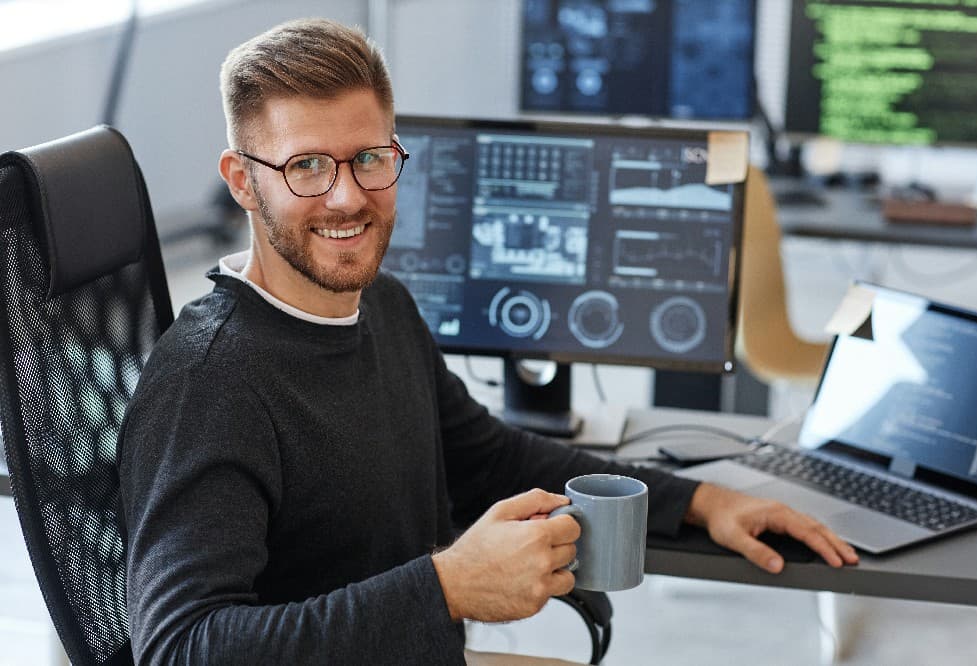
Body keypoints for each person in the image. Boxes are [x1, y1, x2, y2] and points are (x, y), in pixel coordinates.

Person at [117, 17, 857, 665]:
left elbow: (488, 457)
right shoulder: (211, 383)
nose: (348, 195)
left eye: (370, 158)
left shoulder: (383, 306)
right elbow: (184, 649)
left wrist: (699, 500)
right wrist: (447, 588)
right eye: (306, 166)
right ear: (243, 182)